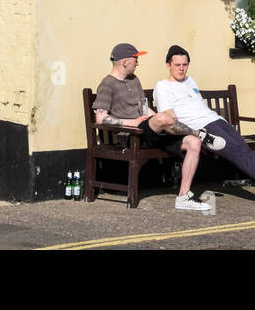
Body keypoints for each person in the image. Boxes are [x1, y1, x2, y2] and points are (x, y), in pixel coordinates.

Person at [152, 45, 255, 209]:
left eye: (185, 65)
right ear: (168, 65)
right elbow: (170, 118)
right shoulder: (163, 87)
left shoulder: (190, 80)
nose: (181, 69)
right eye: (177, 65)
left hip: (217, 121)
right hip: (203, 129)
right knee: (240, 156)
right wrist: (194, 134)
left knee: (247, 155)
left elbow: (198, 106)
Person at [93, 42, 224, 213]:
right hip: (132, 136)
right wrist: (133, 122)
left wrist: (156, 118)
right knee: (164, 117)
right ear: (125, 62)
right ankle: (201, 134)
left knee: (193, 143)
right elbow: (100, 117)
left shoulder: (134, 80)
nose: (137, 63)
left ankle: (184, 196)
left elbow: (144, 108)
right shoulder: (107, 84)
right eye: (136, 59)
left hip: (150, 132)